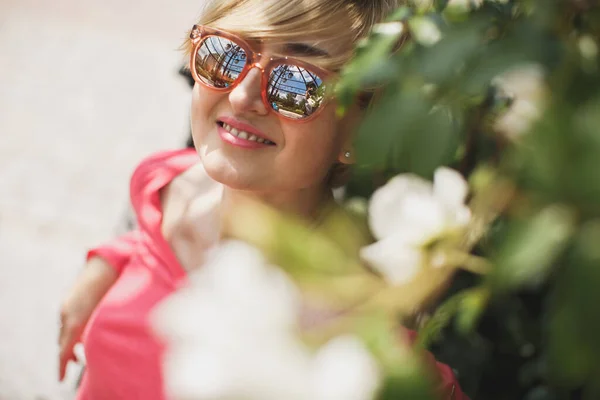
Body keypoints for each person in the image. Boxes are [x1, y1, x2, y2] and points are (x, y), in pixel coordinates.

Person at [58, 0, 469, 399]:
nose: (241, 97)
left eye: (296, 82)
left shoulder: (348, 336)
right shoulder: (170, 186)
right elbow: (149, 234)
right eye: (225, 52)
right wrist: (110, 261)